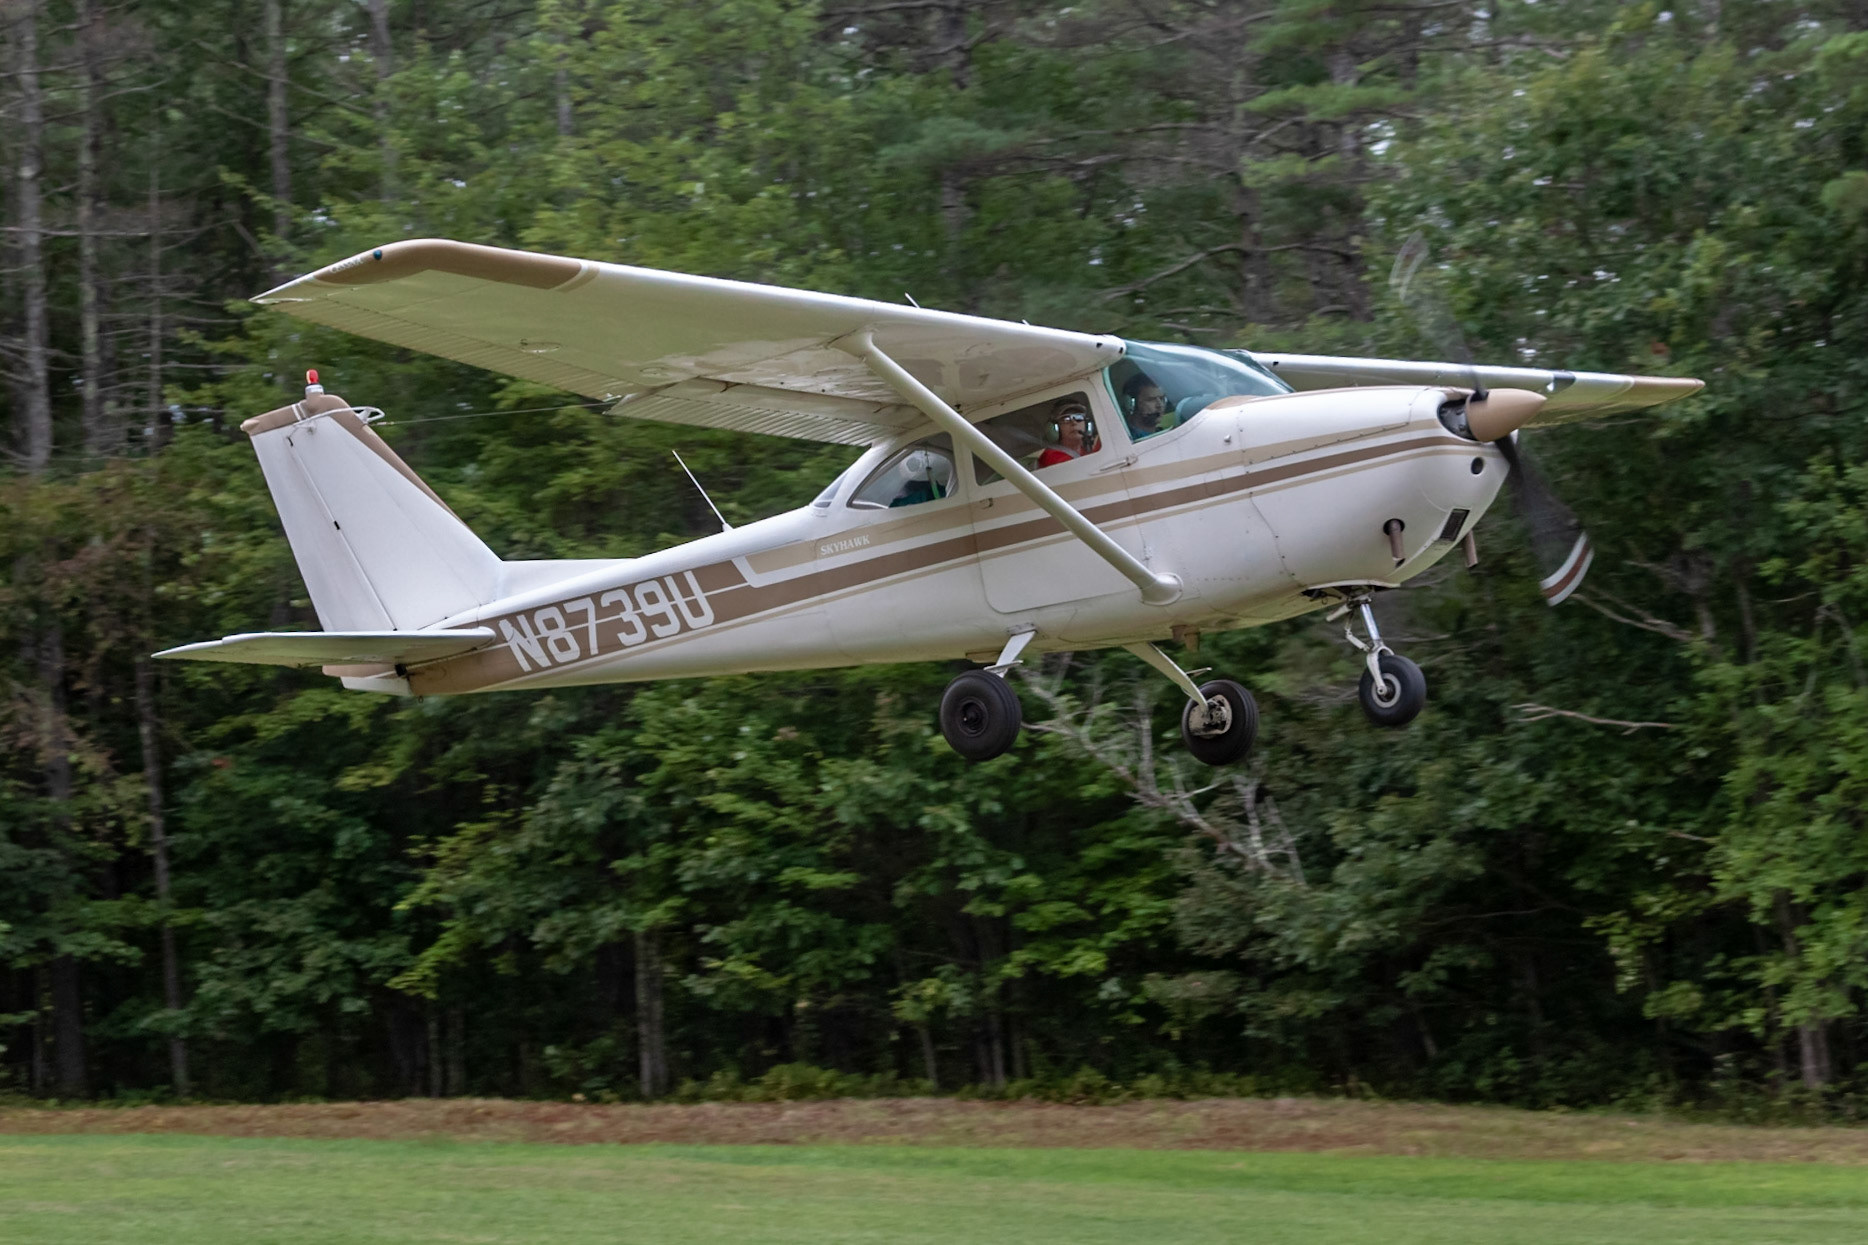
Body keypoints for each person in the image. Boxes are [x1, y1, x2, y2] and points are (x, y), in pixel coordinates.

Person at [1036, 401, 1093, 468]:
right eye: (1066, 419)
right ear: (1056, 428)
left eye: (1079, 417)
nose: (1074, 422)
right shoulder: (1052, 457)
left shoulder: (1086, 449)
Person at [1122, 371, 1176, 439]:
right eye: (1151, 400)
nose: (1160, 405)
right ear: (1130, 404)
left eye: (1162, 398)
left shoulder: (1162, 432)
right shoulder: (1127, 438)